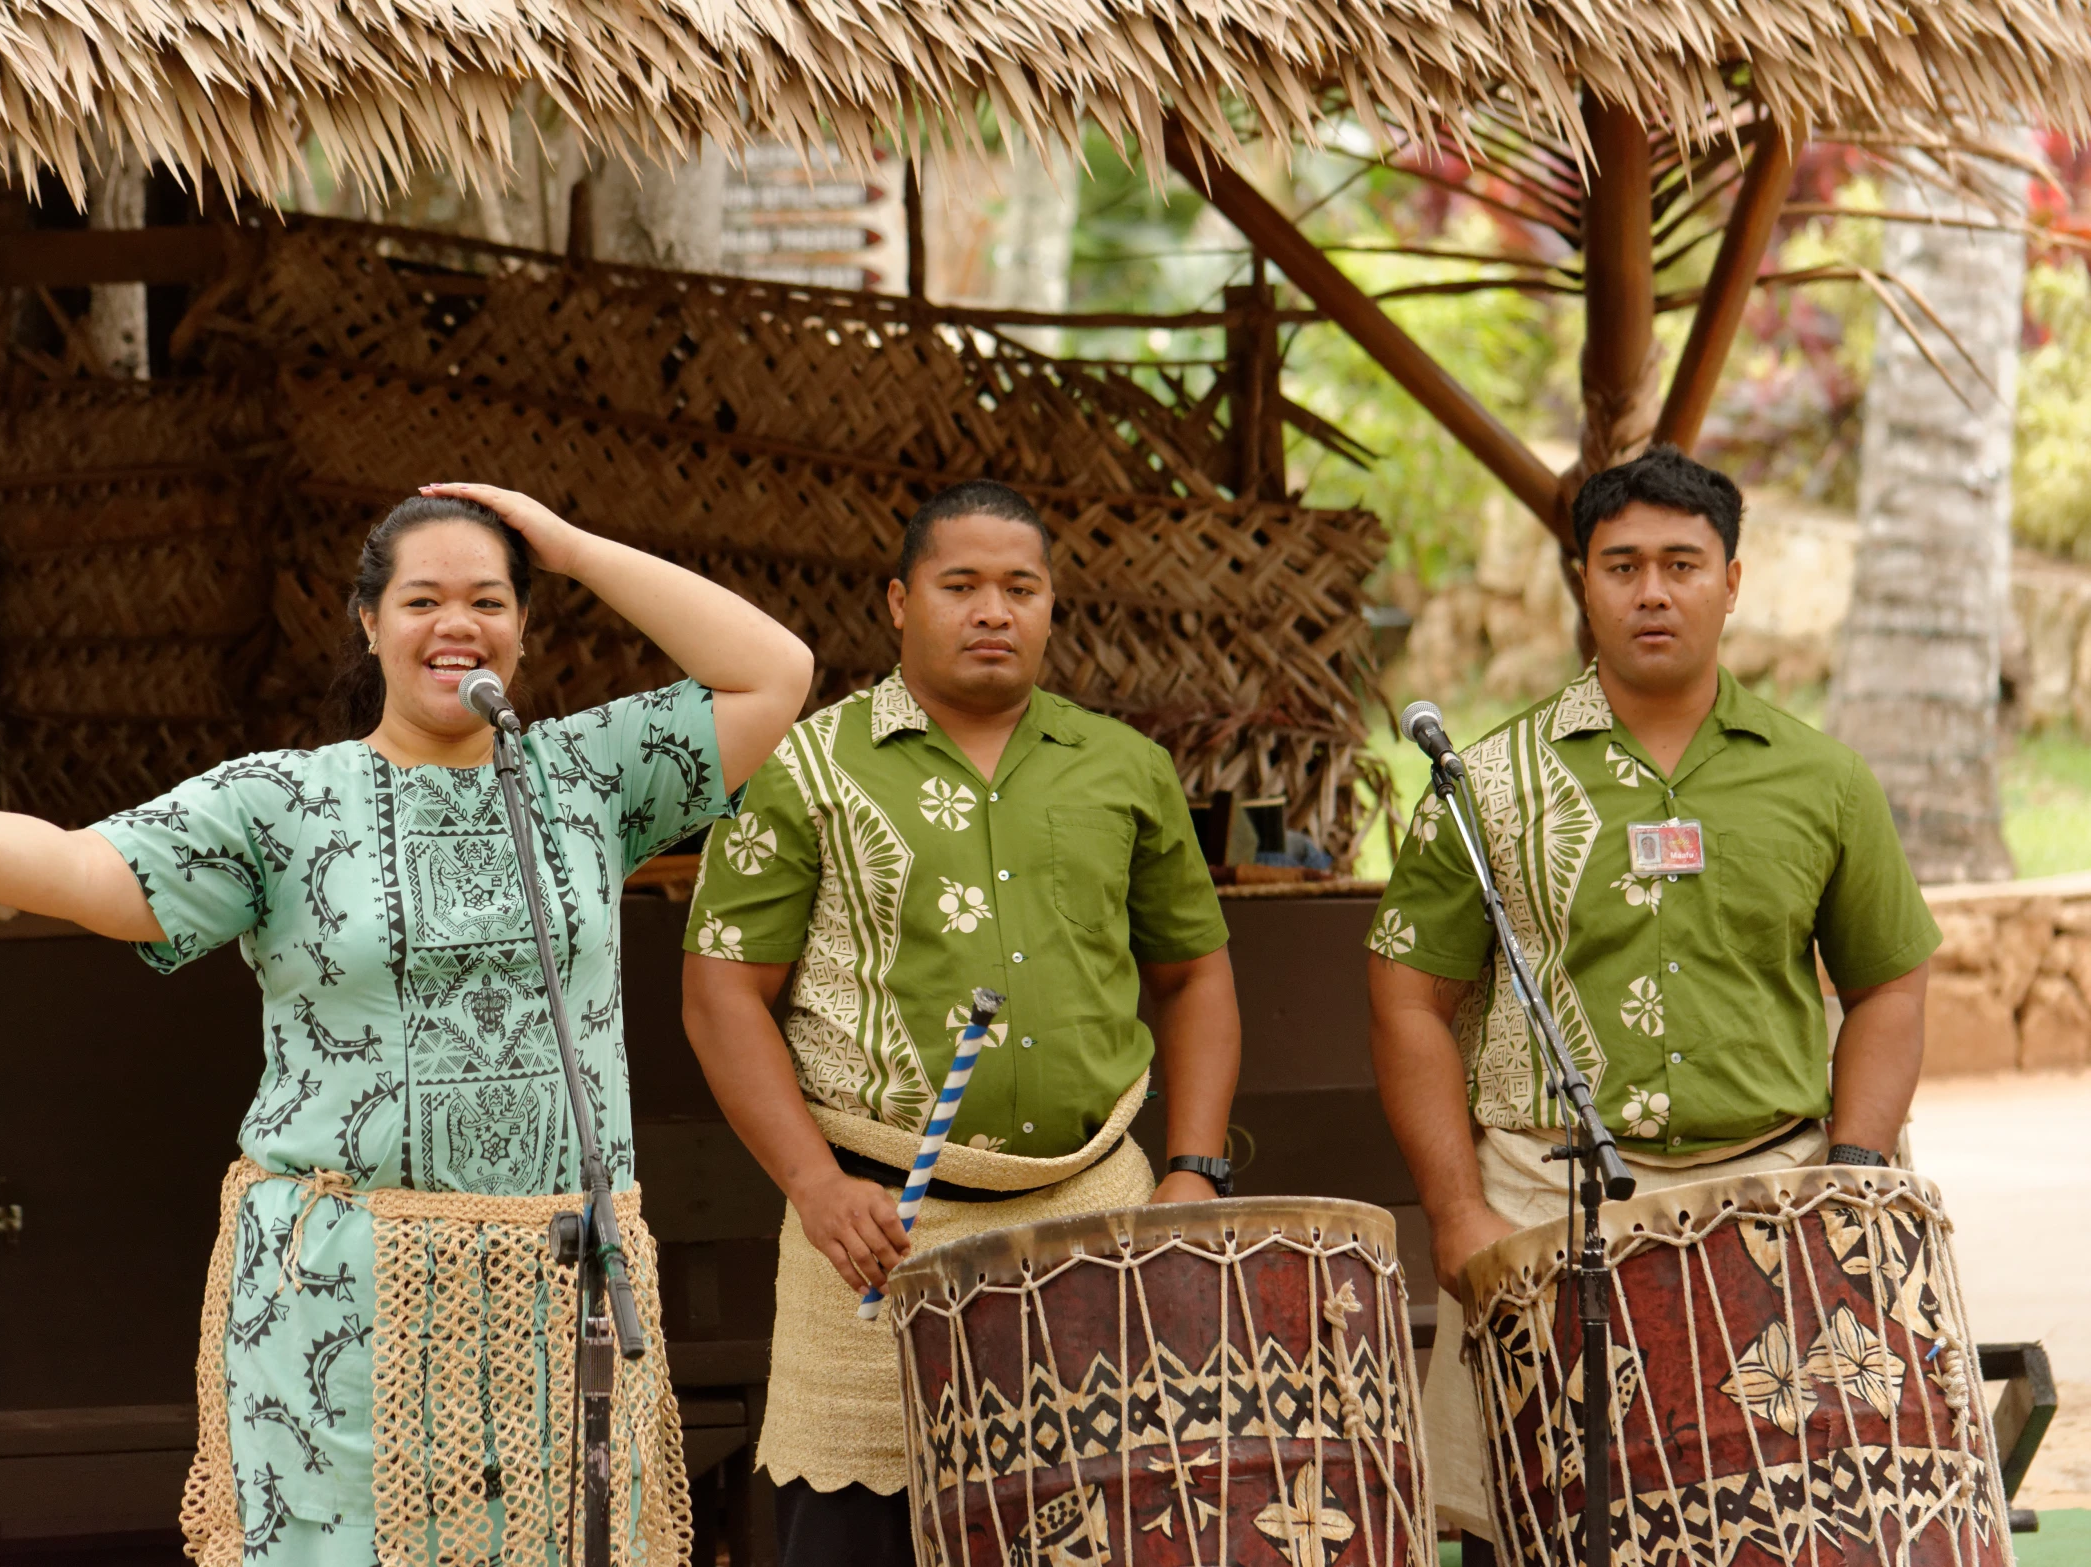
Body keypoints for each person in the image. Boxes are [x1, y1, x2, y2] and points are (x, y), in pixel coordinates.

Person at [0, 485, 814, 1566]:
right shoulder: (282, 804)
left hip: (555, 1291)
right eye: (422, 599)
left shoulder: (588, 776)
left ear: (527, 623)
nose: (457, 625)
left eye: (489, 599)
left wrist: (574, 545)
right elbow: (78, 869)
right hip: (345, 1300)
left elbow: (775, 672)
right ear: (368, 622)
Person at [1365, 444, 1941, 1557]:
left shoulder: (1822, 779)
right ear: (1580, 580)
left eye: (1682, 563)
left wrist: (1854, 1174)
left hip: (1772, 1199)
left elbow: (1888, 985)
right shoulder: (1484, 783)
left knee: (1785, 1523)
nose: (1652, 591)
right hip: (1541, 1197)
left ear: (1731, 581)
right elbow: (1404, 998)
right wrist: (1456, 1213)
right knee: (1529, 1529)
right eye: (1621, 563)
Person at [679, 479, 1243, 1566]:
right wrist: (813, 1185)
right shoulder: (805, 766)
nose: (994, 610)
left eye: (1020, 587)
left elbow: (1195, 973)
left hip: (1097, 1218)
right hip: (874, 1234)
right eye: (961, 585)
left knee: (1110, 1530)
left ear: (1049, 607)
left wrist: (1195, 1167)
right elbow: (720, 994)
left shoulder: (1123, 766)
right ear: (899, 600)